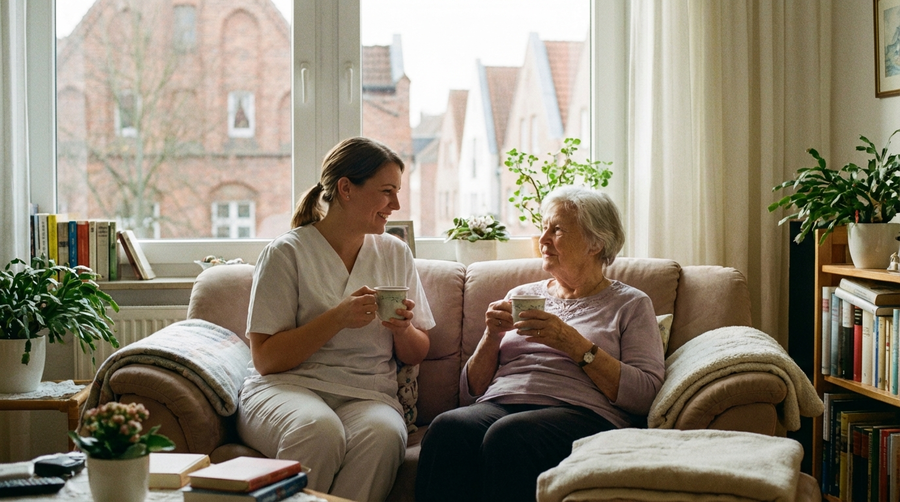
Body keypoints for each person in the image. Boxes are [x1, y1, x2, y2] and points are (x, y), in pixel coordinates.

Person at [415, 185, 665, 502]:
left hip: (580, 414)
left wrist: (574, 344)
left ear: (595, 243)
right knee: (448, 428)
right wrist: (492, 336)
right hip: (501, 404)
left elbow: (645, 395)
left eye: (556, 230)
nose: (543, 240)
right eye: (543, 228)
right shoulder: (520, 296)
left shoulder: (631, 304)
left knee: (509, 437)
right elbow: (470, 393)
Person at [236, 136, 434, 502]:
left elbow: (417, 350)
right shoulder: (286, 253)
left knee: (384, 436)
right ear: (346, 189)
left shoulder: (394, 252)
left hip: (368, 395)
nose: (396, 204)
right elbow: (266, 360)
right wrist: (337, 318)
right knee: (319, 430)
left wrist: (403, 330)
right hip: (289, 388)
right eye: (387, 191)